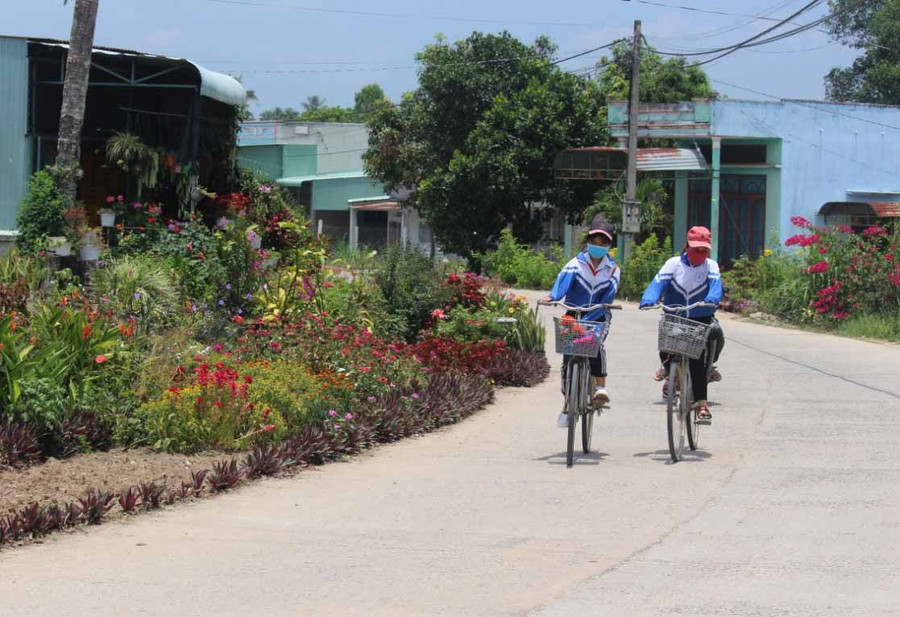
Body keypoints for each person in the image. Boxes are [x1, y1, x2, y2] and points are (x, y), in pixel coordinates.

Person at [638, 226, 725, 422]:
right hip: (674, 315)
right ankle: (669, 370)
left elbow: (715, 286)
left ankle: (702, 403)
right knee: (666, 345)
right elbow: (658, 283)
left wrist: (712, 298)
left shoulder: (710, 266)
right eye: (696, 249)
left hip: (700, 317)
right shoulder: (673, 264)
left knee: (700, 355)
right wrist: (649, 298)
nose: (699, 253)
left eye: (704, 250)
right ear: (687, 246)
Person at [542, 216, 620, 428]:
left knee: (595, 344)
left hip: (598, 314)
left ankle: (600, 387)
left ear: (609, 245)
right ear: (588, 241)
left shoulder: (613, 269)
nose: (598, 245)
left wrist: (591, 318)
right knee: (568, 356)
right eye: (595, 240)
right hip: (574, 314)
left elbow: (608, 297)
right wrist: (552, 297)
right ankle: (568, 404)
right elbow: (562, 283)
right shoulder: (576, 264)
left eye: (603, 242)